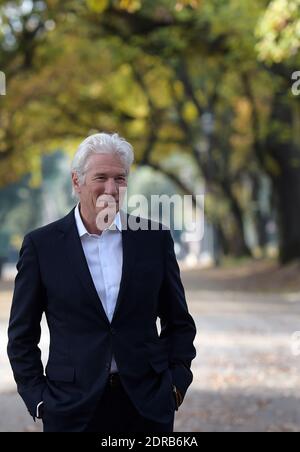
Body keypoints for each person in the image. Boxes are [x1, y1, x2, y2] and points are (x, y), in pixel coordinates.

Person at [7, 133, 197, 432]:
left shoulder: (154, 240)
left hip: (146, 405)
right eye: (101, 177)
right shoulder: (41, 247)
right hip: (69, 407)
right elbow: (21, 336)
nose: (111, 188)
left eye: (120, 178)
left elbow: (179, 323)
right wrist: (38, 399)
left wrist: (176, 386)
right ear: (76, 181)